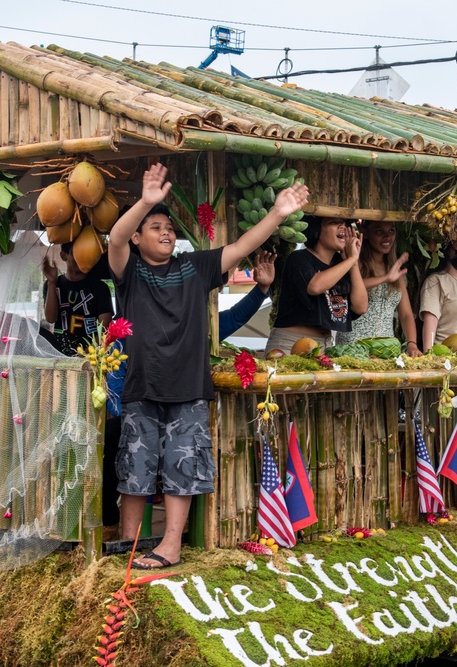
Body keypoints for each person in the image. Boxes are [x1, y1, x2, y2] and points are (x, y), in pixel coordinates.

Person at [108, 163, 308, 570]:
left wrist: (277, 214)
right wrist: (146, 201)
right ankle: (127, 543)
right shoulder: (130, 271)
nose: (166, 233)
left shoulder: (193, 267)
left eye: (169, 227)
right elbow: (113, 239)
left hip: (188, 387)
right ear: (138, 237)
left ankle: (170, 546)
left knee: (183, 467)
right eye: (155, 227)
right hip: (141, 385)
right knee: (135, 466)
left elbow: (239, 248)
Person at [98, 249, 276, 541]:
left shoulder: (191, 322)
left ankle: (171, 542)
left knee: (180, 470)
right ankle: (121, 536)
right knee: (124, 463)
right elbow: (113, 380)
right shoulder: (125, 328)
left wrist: (261, 290)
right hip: (131, 414)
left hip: (179, 411)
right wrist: (123, 412)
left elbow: (230, 319)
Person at [265, 217, 368, 354]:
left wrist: (353, 263)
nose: (343, 226)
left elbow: (361, 307)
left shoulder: (342, 264)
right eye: (333, 222)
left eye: (345, 223)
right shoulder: (299, 258)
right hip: (290, 342)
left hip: (324, 345)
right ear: (316, 231)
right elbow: (315, 286)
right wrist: (351, 259)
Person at [335, 220, 420, 356]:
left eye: (391, 230)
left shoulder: (395, 269)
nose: (387, 237)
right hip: (354, 346)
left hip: (386, 350)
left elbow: (406, 314)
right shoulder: (354, 262)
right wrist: (386, 278)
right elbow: (350, 287)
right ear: (366, 233)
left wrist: (412, 344)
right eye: (379, 231)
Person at [42, 242, 114, 357]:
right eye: (77, 254)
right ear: (63, 255)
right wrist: (51, 282)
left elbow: (105, 327)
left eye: (86, 255)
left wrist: (86, 354)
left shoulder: (100, 287)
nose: (82, 259)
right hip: (60, 356)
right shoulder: (53, 284)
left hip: (92, 357)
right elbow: (51, 318)